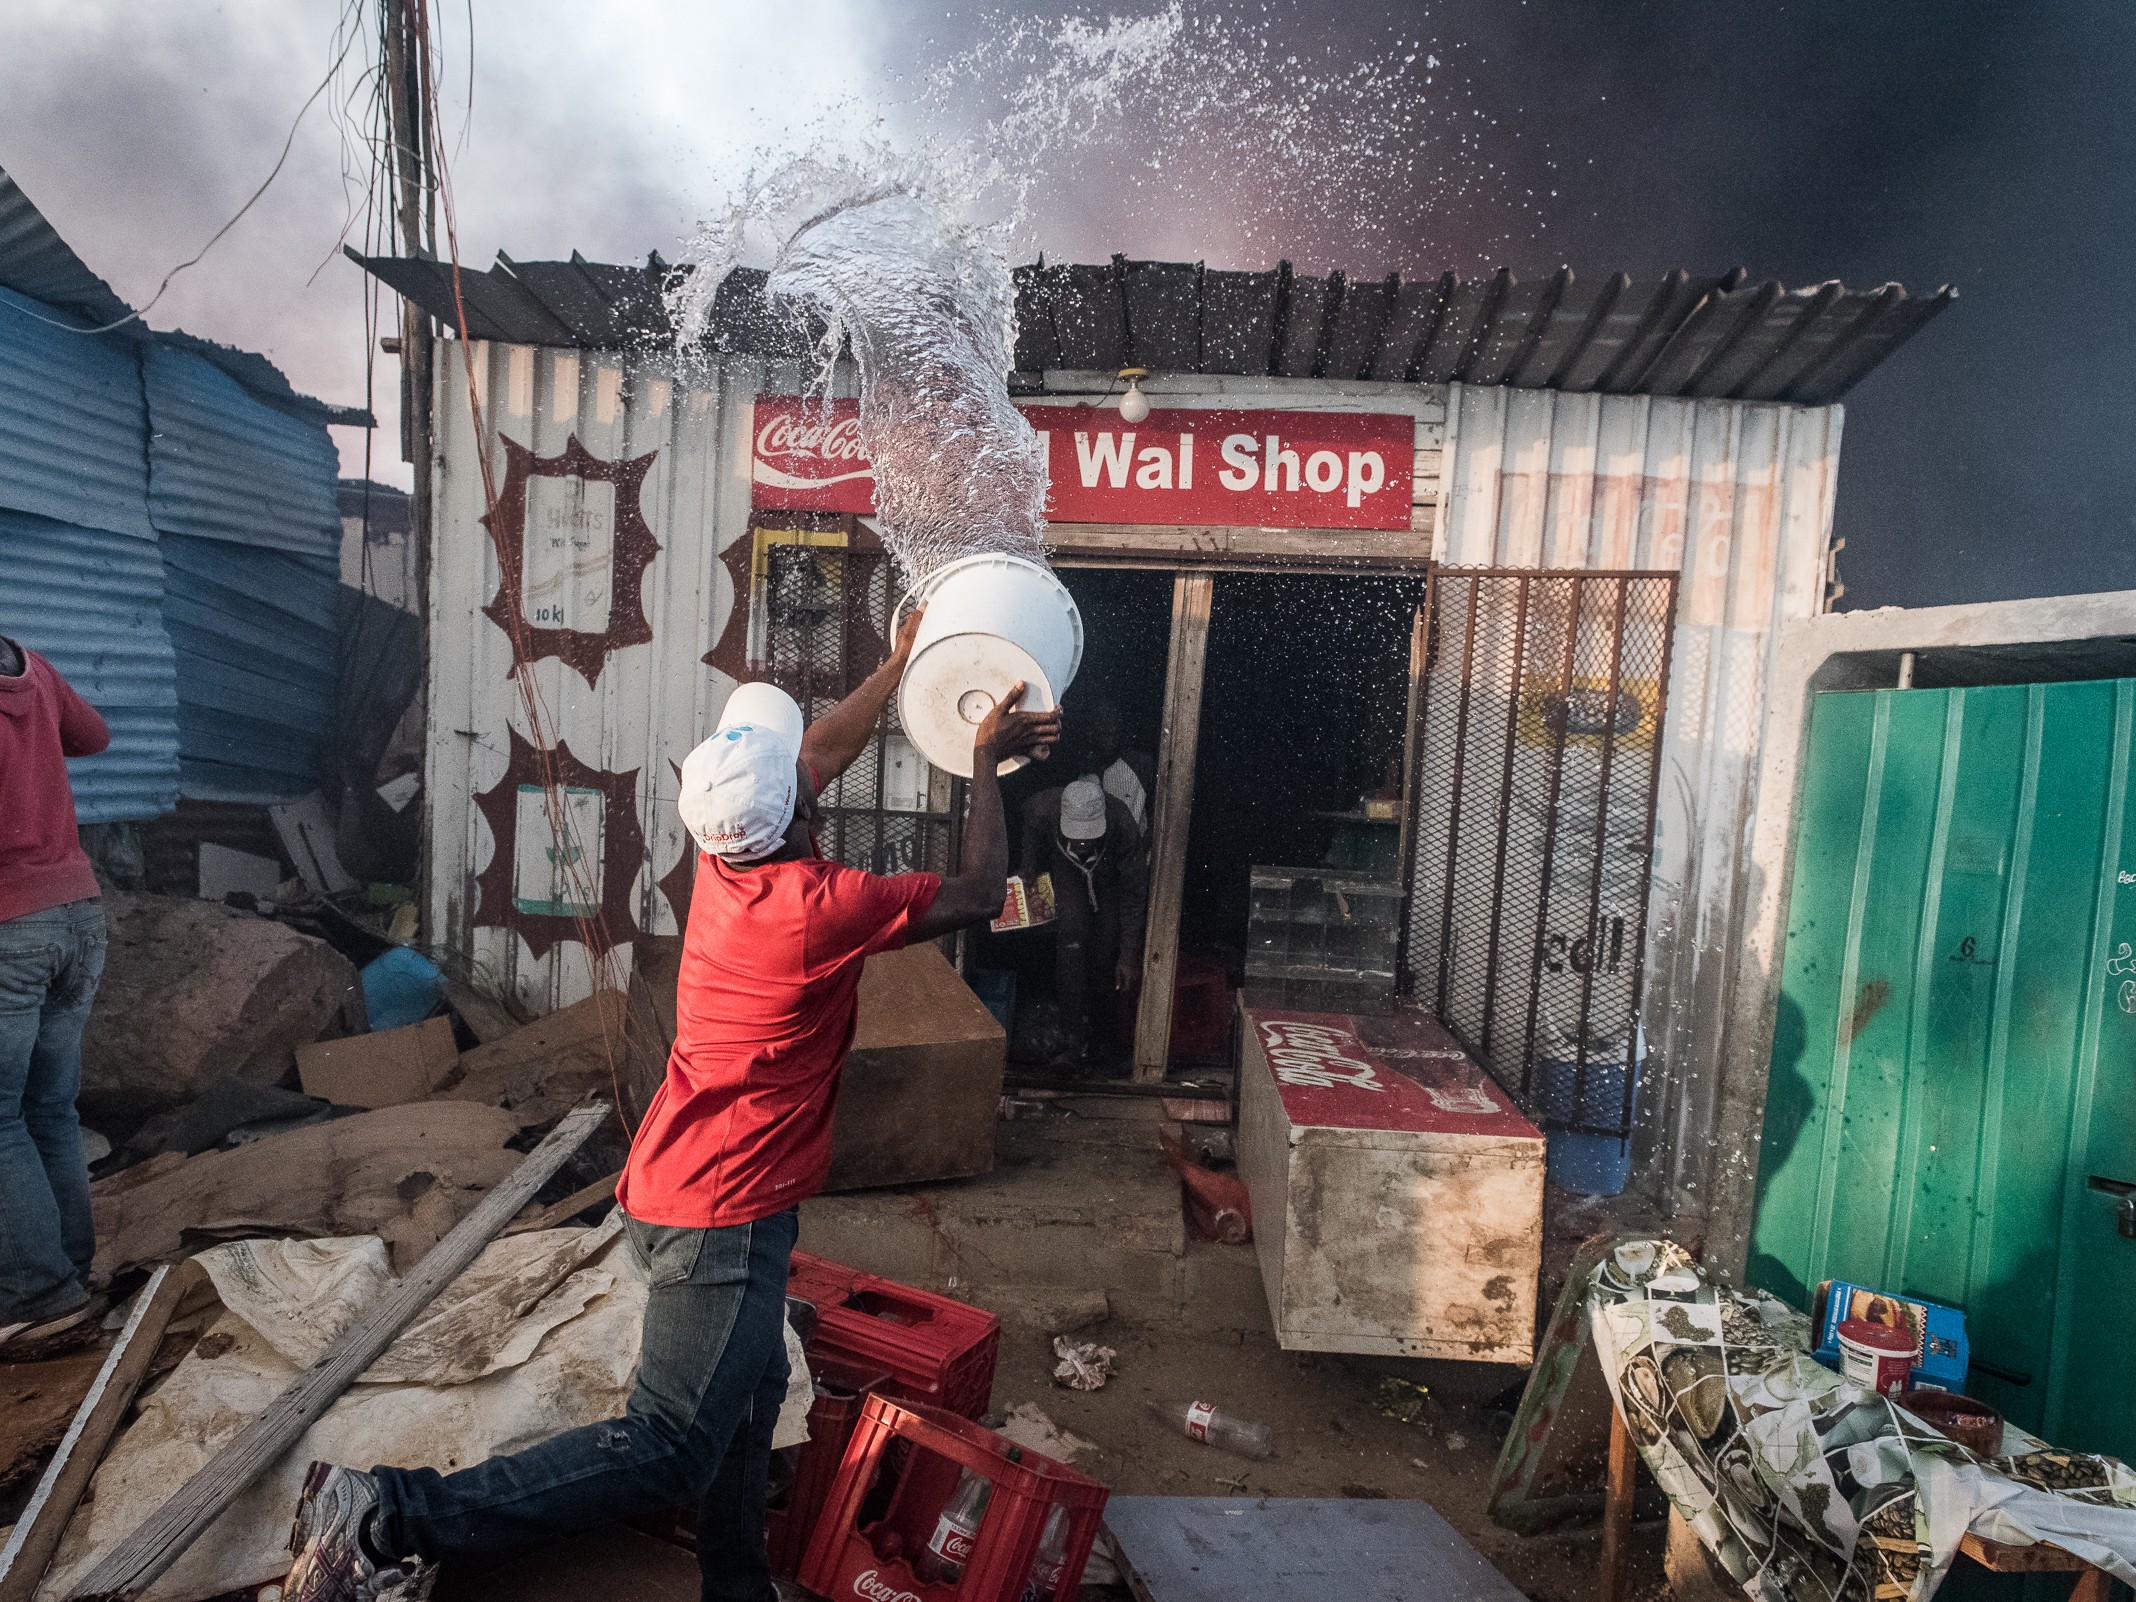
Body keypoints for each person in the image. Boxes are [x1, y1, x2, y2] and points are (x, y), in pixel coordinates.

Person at [283, 610, 1058, 1602]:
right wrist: (981, 763)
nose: (805, 767)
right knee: (669, 1448)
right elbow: (985, 888)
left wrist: (902, 664)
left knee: (746, 1399)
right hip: (722, 1218)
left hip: (685, 1188)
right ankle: (391, 1512)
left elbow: (813, 753)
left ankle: (737, 1586)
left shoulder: (723, 862)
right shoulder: (819, 910)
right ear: (794, 814)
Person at [0, 633, 111, 1352]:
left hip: (10, 926)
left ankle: (39, 1295)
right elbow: (93, 736)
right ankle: (67, 1273)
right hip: (79, 913)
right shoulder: (27, 663)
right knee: (48, 1108)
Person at [1019, 775, 1148, 1064]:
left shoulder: (1123, 823)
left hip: (1109, 882)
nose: (1082, 845)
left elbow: (1134, 892)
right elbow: (1027, 818)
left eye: (1088, 838)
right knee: (1070, 946)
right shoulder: (1045, 807)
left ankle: (1103, 1043)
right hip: (1066, 873)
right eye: (1076, 837)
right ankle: (1072, 1041)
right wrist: (1028, 863)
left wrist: (1128, 955)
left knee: (1105, 956)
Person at [1081, 695, 1154, 833]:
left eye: (1112, 720)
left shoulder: (1140, 764)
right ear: (1093, 729)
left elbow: (1158, 815)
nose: (1109, 728)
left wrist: (1141, 850)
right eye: (1102, 721)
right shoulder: (1083, 769)